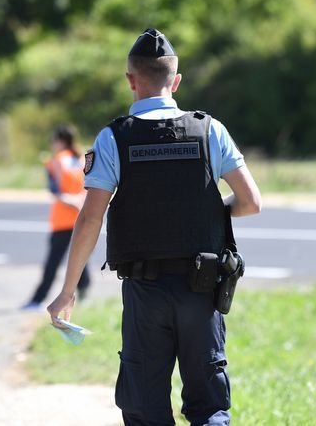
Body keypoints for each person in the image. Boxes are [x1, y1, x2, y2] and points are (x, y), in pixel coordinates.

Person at [47, 29, 262, 425]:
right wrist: (209, 213)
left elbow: (90, 218)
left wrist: (67, 291)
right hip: (203, 288)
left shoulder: (114, 138)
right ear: (176, 81)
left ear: (131, 79)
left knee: (145, 408)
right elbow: (250, 202)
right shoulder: (209, 130)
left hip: (145, 293)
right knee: (210, 406)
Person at [22, 125, 91, 310]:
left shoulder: (56, 161)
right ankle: (84, 293)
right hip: (81, 216)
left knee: (53, 262)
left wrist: (70, 200)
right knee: (79, 256)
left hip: (62, 218)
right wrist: (80, 201)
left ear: (59, 141)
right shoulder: (84, 157)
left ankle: (38, 299)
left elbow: (54, 190)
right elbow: (93, 184)